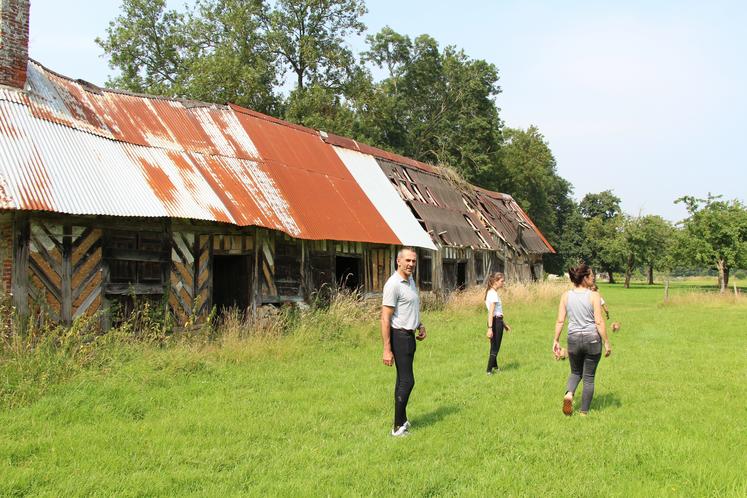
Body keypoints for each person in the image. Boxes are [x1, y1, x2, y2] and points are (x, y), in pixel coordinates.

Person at [552, 263, 611, 416]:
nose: (593, 279)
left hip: (573, 339)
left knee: (575, 372)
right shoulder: (594, 296)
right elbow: (598, 321)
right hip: (592, 340)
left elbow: (560, 321)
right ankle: (583, 413)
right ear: (584, 278)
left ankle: (569, 394)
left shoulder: (566, 296)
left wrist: (556, 340)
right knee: (589, 378)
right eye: (591, 276)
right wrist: (606, 342)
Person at [381, 247, 426, 437]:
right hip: (399, 336)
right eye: (408, 261)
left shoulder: (410, 281)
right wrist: (386, 349)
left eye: (414, 261)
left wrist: (420, 324)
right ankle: (396, 428)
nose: (411, 264)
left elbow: (410, 308)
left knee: (402, 381)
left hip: (409, 335)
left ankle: (402, 421)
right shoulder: (393, 285)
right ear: (398, 261)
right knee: (408, 381)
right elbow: (385, 318)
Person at [484, 272, 511, 374]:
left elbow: (496, 313)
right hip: (495, 322)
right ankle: (489, 371)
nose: (503, 283)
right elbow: (491, 312)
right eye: (501, 281)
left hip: (496, 321)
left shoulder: (490, 292)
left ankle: (494, 367)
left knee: (493, 345)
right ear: (495, 281)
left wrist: (504, 325)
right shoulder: (493, 294)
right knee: (495, 347)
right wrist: (490, 328)